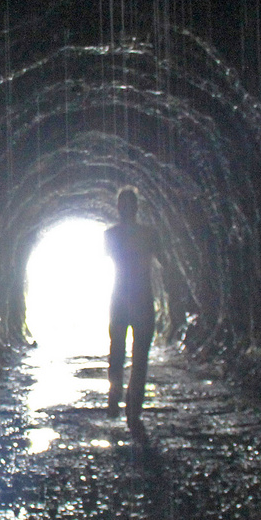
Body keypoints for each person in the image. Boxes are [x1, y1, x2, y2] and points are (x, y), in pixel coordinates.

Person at [105, 187, 159, 437]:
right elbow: (165, 261)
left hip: (121, 299)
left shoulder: (111, 235)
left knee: (118, 351)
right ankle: (131, 407)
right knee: (138, 357)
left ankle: (117, 398)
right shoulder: (149, 234)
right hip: (141, 299)